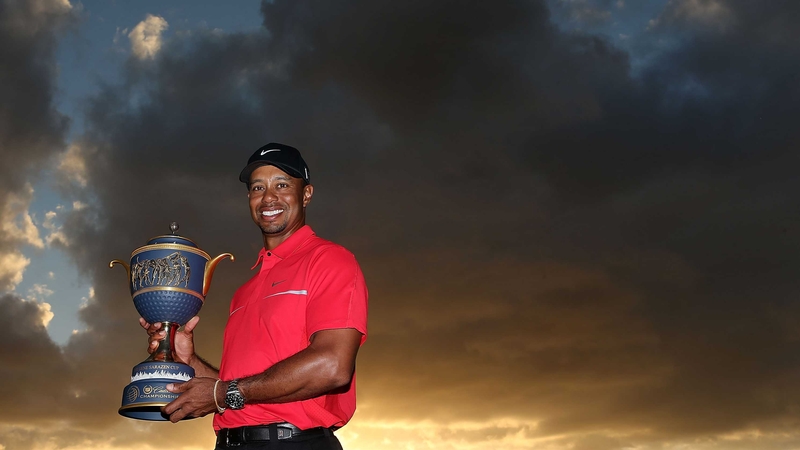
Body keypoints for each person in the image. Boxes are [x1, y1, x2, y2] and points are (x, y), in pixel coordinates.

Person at [141, 142, 368, 450]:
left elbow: (332, 366)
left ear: (306, 194)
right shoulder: (244, 291)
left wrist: (222, 393)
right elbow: (243, 384)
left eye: (282, 184)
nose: (268, 197)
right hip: (229, 443)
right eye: (258, 187)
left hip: (295, 443)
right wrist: (188, 360)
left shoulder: (329, 259)